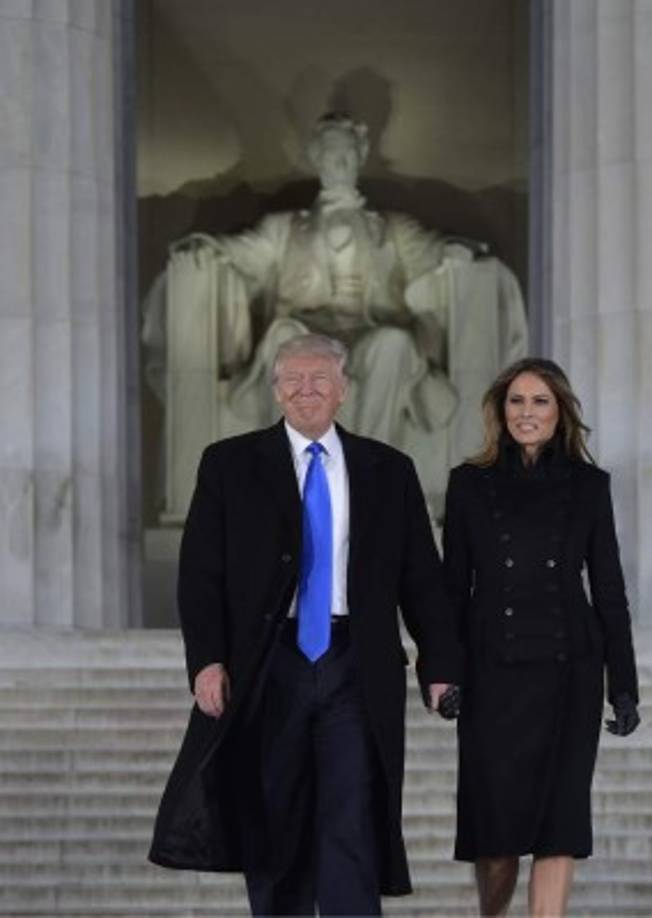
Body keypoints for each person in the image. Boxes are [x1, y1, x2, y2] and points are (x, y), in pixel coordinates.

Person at [148, 333, 461, 915]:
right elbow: (200, 575)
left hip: (355, 662)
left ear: (343, 390)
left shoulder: (388, 471)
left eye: (319, 379)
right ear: (275, 390)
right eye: (291, 379)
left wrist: (440, 666)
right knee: (274, 817)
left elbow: (421, 577)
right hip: (269, 664)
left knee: (351, 815)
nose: (305, 390)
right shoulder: (229, 464)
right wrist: (207, 661)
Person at [142, 112, 527, 520]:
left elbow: (436, 250)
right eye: (330, 153)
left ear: (360, 156)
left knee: (395, 344)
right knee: (289, 344)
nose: (339, 162)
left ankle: (365, 477)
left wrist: (460, 252)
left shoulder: (392, 230)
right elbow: (239, 251)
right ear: (315, 159)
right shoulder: (285, 229)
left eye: (347, 153)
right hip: (304, 332)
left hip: (367, 335)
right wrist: (203, 248)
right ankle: (288, 480)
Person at [442, 357, 640, 917]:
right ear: (501, 412)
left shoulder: (589, 486)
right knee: (496, 838)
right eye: (517, 401)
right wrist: (445, 673)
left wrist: (622, 685)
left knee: (560, 827)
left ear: (561, 413)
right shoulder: (468, 485)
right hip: (492, 676)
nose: (527, 413)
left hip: (568, 673)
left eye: (540, 402)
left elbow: (609, 592)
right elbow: (451, 591)